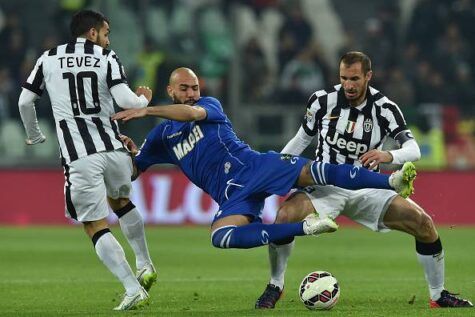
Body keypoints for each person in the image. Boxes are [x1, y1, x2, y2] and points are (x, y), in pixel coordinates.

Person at [113, 67, 415, 253]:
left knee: (316, 171)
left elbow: (191, 114)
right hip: (230, 195)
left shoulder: (208, 105)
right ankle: (307, 228)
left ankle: (390, 180)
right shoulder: (162, 137)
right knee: (221, 236)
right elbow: (134, 171)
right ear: (170, 90)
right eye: (184, 88)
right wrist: (127, 152)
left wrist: (147, 109)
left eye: (194, 87)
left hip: (253, 167)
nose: (192, 93)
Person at [254, 51, 472, 309]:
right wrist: (276, 169)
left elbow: (413, 149)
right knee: (284, 217)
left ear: (368, 76)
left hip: (367, 188)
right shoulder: (322, 101)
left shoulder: (385, 108)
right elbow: (302, 139)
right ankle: (275, 285)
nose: (348, 85)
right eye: (343, 78)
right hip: (324, 186)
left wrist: (387, 154)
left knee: (424, 224)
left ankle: (438, 295)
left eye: (354, 78)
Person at [18, 10, 157, 310]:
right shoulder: (107, 58)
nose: (108, 40)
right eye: (106, 33)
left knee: (94, 225)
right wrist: (144, 99)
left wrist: (34, 135)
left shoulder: (47, 58)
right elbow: (126, 101)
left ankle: (133, 288)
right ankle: (145, 263)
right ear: (92, 33)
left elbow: (25, 101)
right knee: (122, 204)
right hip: (114, 149)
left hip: (80, 156)